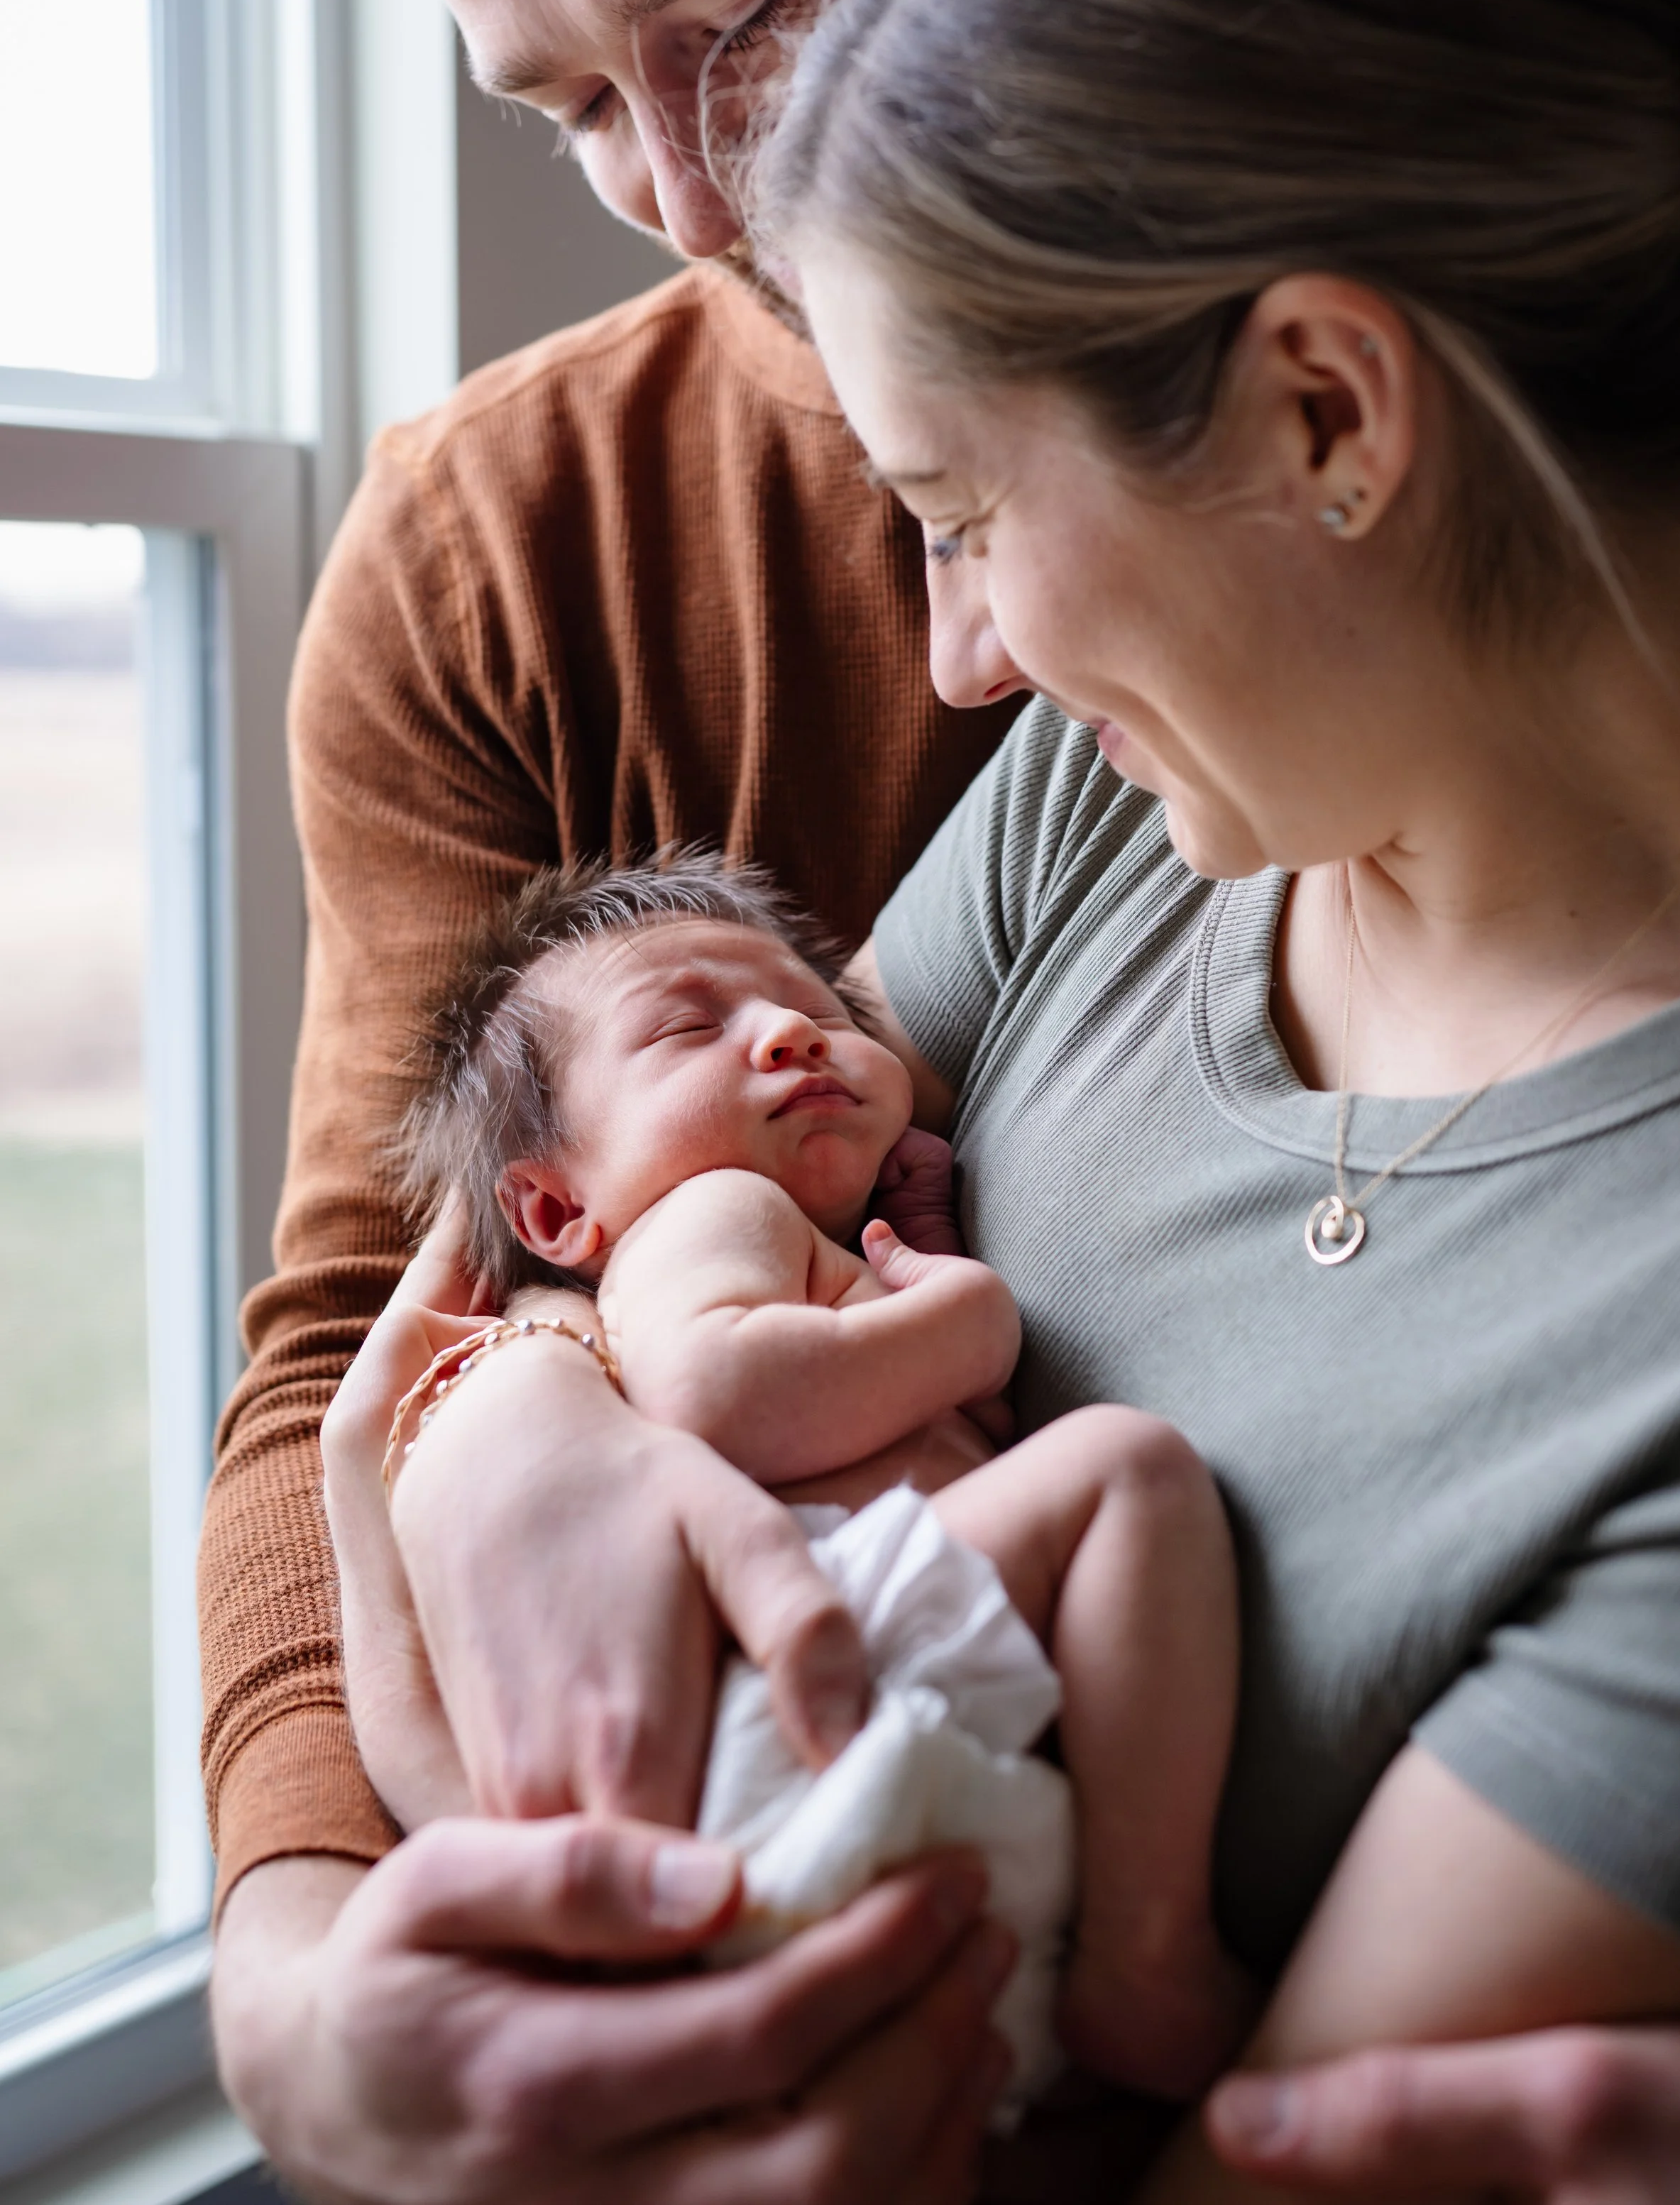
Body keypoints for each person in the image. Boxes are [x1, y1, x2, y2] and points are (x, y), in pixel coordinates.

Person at [207, 0, 1680, 2201]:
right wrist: (500, 1481)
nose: (700, 204)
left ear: (1324, 415)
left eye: (733, 24)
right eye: (575, 105)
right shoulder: (1102, 798)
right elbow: (459, 1276)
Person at [347, 850, 1245, 2102]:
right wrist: (967, 1318)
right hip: (810, 1661)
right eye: (686, 1027)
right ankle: (1146, 1954)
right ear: (555, 1215)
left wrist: (913, 1249)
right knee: (1129, 1473)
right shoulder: (702, 1213)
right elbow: (725, 1391)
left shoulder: (790, 1241)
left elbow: (901, 1408)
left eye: (823, 1015)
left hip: (833, 1701)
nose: (787, 1033)